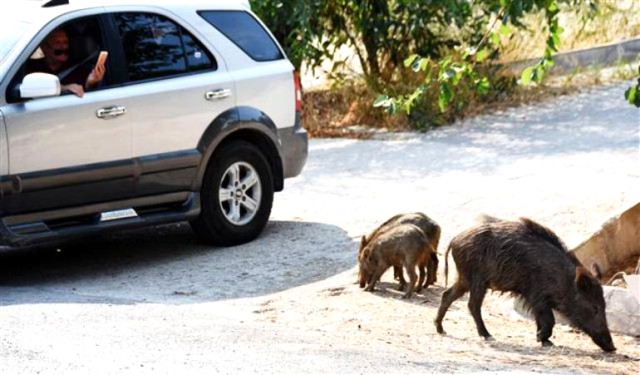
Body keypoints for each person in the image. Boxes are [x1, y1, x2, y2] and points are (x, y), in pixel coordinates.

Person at [25, 28, 105, 97]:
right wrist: (63, 88)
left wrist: (90, 82)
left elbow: (85, 94)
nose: (63, 47)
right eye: (58, 43)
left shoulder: (79, 70)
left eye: (65, 42)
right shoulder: (31, 67)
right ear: (44, 47)